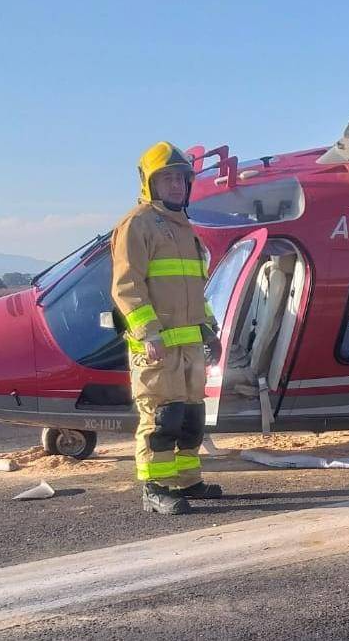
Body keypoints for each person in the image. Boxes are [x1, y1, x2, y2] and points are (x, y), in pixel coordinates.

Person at [110, 141, 222, 515]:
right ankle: (154, 488)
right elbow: (127, 287)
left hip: (189, 347)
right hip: (157, 349)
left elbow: (195, 289)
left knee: (191, 417)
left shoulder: (185, 229)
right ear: (150, 183)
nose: (176, 185)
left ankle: (188, 480)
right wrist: (148, 333)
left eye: (180, 178)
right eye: (167, 178)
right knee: (161, 418)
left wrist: (209, 329)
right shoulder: (137, 225)